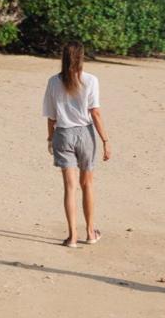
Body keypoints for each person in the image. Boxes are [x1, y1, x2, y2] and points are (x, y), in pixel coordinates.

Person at [42, 41, 112, 247]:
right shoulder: (90, 80)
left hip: (62, 134)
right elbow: (95, 112)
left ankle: (72, 236)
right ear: (81, 58)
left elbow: (51, 117)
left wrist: (49, 138)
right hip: (85, 134)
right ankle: (90, 232)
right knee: (87, 184)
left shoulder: (53, 82)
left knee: (70, 187)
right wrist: (106, 140)